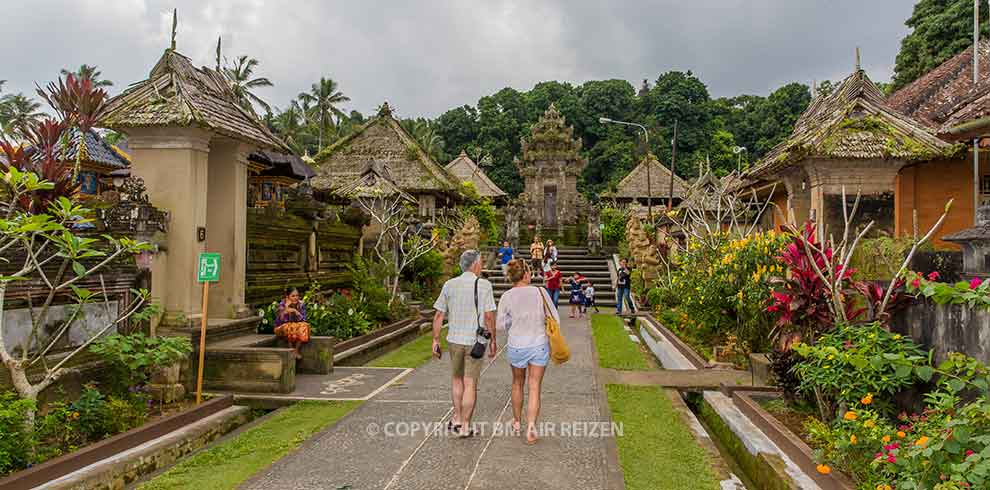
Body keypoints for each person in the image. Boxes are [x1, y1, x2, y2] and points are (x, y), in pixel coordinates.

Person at [432, 250, 497, 438]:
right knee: (470, 383)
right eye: (481, 262)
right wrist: (493, 340)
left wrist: (435, 339)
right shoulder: (484, 285)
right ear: (475, 264)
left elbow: (439, 315)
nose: (482, 265)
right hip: (475, 341)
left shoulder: (449, 285)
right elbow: (488, 316)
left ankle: (458, 418)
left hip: (454, 339)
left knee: (457, 380)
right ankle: (466, 426)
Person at [497, 259, 557, 444]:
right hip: (538, 343)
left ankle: (516, 421)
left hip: (516, 344)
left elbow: (500, 325)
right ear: (524, 275)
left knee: (517, 384)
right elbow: (554, 317)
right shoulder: (540, 292)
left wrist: (514, 322)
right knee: (534, 387)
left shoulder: (507, 296)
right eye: (529, 272)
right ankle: (531, 428)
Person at [274, 287, 310, 360]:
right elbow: (281, 322)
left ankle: (296, 350)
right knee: (289, 326)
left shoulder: (301, 304)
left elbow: (304, 319)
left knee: (305, 325)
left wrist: (296, 312)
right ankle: (291, 349)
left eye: (297, 295)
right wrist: (286, 308)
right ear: (287, 297)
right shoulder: (282, 305)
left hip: (295, 328)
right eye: (293, 296)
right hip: (281, 328)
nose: (296, 298)